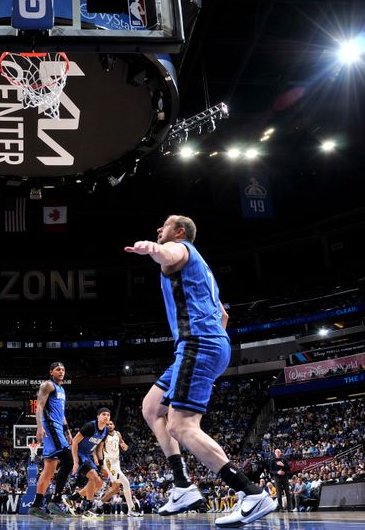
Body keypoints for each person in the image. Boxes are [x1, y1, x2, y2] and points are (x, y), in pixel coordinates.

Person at [126, 214, 275, 527]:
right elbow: (222, 315)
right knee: (152, 408)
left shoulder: (181, 249)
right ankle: (182, 485)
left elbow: (169, 253)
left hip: (198, 345)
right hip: (201, 346)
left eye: (163, 226)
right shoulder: (202, 268)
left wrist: (153, 248)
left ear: (179, 232)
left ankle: (250, 492)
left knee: (182, 425)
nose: (158, 228)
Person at [29, 362, 73, 520]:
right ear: (51, 372)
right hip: (51, 429)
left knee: (48, 471)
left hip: (59, 429)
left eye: (63, 369)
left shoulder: (62, 389)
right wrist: (39, 427)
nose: (61, 371)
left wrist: (67, 431)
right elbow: (39, 406)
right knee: (69, 461)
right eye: (58, 369)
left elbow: (61, 414)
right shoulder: (48, 385)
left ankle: (36, 505)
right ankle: (55, 500)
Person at [70, 408, 110, 520]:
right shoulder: (90, 426)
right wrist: (75, 461)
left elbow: (99, 449)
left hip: (87, 455)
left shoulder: (106, 431)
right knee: (92, 476)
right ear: (98, 417)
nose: (106, 416)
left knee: (98, 483)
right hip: (78, 453)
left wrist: (102, 466)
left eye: (108, 415)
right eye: (103, 414)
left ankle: (73, 497)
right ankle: (88, 510)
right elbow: (74, 442)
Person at [101, 420, 141, 517]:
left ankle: (98, 504)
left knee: (115, 489)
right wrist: (99, 462)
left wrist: (125, 447)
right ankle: (131, 509)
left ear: (113, 425)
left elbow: (124, 446)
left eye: (111, 424)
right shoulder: (102, 435)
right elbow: (98, 449)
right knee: (126, 482)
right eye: (107, 425)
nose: (109, 426)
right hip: (108, 463)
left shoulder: (118, 434)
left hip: (117, 462)